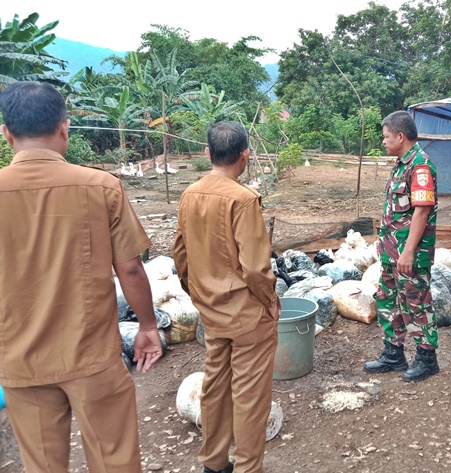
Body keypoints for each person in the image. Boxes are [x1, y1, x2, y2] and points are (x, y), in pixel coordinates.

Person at [0, 81, 163, 472]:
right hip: (92, 357)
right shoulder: (100, 186)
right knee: (115, 460)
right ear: (64, 129)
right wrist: (148, 325)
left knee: (42, 465)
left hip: (21, 362)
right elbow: (129, 267)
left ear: (7, 134)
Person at [173, 121, 280, 473]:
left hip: (212, 312)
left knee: (216, 386)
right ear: (245, 155)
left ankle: (213, 463)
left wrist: (198, 293)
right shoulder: (243, 199)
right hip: (247, 314)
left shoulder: (190, 194)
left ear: (207, 153)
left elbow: (180, 255)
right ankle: (248, 466)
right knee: (250, 396)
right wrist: (269, 301)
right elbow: (254, 268)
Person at [363, 110, 439, 382]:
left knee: (416, 303)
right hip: (391, 251)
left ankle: (427, 357)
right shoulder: (401, 163)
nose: (383, 141)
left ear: (400, 136)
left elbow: (421, 212)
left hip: (410, 254)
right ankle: (393, 353)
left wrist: (407, 251)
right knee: (388, 299)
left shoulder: (420, 166)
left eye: (385, 137)